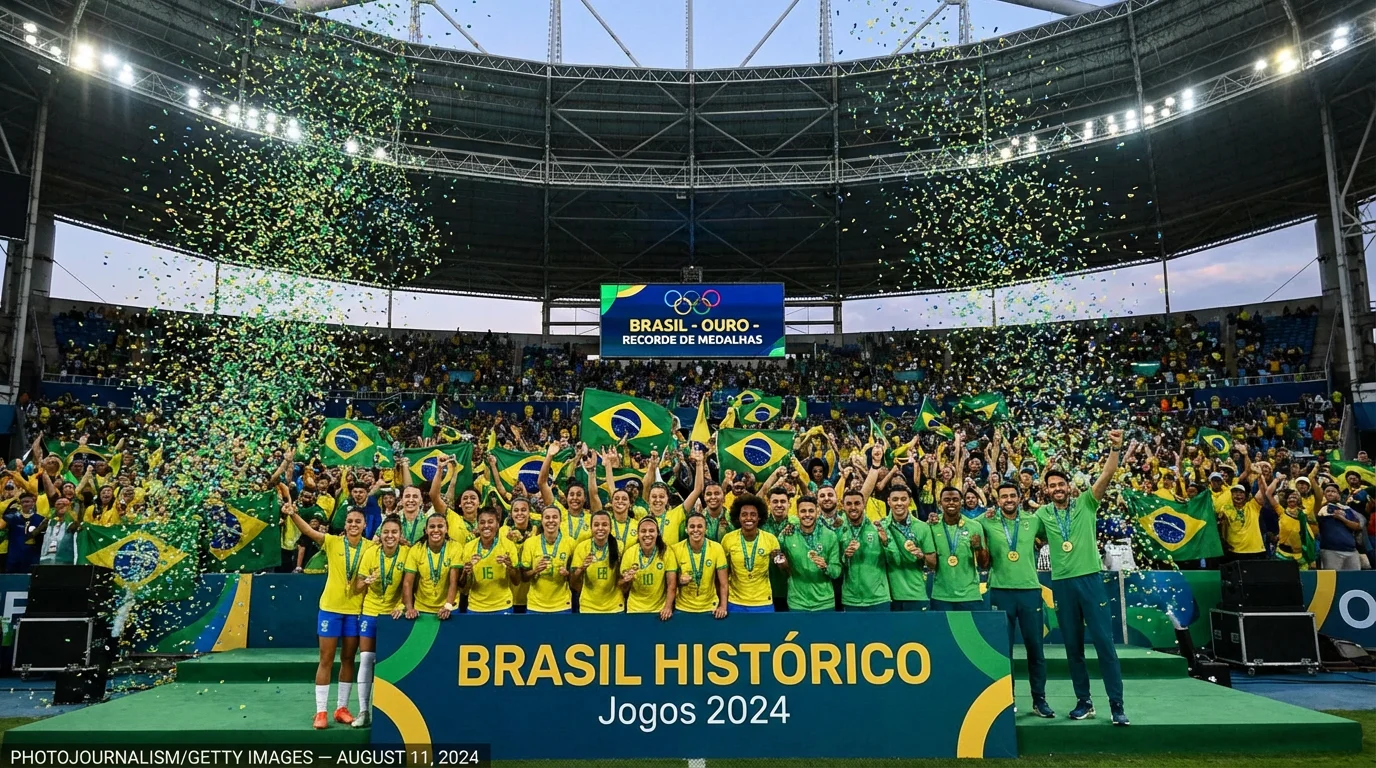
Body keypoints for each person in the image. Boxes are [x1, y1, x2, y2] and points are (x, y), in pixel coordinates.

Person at [1035, 429, 1129, 726]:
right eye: (1052, 485)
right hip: (1062, 585)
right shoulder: (1042, 515)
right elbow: (1023, 531)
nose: (1057, 488)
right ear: (1046, 490)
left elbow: (1107, 474)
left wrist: (1115, 448)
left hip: (1090, 580)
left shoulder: (1087, 502)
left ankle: (1116, 705)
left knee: (1104, 645)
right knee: (1073, 648)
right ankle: (1084, 702)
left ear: (1069, 487)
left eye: (1061, 484)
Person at [280, 501, 372, 730]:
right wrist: (293, 514)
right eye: (349, 521)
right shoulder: (332, 542)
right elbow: (309, 531)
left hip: (355, 611)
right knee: (326, 659)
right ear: (345, 524)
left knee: (348, 659)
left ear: (364, 525)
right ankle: (321, 711)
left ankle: (342, 708)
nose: (353, 524)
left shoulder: (372, 548)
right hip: (330, 609)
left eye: (357, 521)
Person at [984, 483, 1053, 718]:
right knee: (1003, 650)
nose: (1008, 499)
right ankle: (1007, 699)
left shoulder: (1033, 521)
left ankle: (1039, 700)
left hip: (1029, 591)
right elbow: (965, 525)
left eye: (1012, 495)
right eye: (1004, 496)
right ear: (997, 500)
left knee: (1035, 648)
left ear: (1020, 497)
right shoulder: (987, 521)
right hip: (1000, 592)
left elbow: (1051, 534)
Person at [352, 515, 408, 729]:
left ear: (400, 535)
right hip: (371, 611)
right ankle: (364, 710)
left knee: (394, 662)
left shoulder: (407, 553)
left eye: (394, 532)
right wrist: (365, 582)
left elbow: (411, 585)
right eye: (386, 532)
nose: (390, 536)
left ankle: (394, 712)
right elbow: (357, 586)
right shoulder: (370, 554)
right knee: (367, 658)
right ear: (380, 534)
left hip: (395, 614)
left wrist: (402, 606)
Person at [776, 496, 841, 612]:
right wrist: (781, 563)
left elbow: (836, 572)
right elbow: (777, 557)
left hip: (825, 602)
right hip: (797, 602)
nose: (807, 515)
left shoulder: (830, 536)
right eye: (803, 511)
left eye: (811, 511)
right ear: (797, 513)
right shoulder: (787, 535)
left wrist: (826, 567)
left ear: (817, 512)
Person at [838, 474, 892, 612]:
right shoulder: (838, 531)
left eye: (857, 503)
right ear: (843, 506)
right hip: (851, 599)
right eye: (849, 504)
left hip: (878, 598)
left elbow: (894, 561)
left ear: (864, 504)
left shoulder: (878, 528)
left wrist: (886, 543)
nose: (853, 507)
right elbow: (835, 567)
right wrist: (845, 556)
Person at [720, 494, 781, 613]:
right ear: (738, 517)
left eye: (753, 514)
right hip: (735, 602)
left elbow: (783, 568)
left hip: (763, 602)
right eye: (744, 514)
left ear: (759, 517)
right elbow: (723, 573)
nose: (748, 518)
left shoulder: (771, 539)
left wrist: (781, 562)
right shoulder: (728, 539)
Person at [930, 486, 987, 611]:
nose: (951, 503)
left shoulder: (975, 526)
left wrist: (978, 548)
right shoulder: (931, 526)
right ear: (940, 503)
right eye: (947, 500)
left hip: (970, 595)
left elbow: (984, 565)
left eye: (955, 499)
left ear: (961, 502)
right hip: (941, 595)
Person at [460, 507, 522, 614]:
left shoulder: (508, 545)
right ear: (478, 525)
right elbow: (463, 586)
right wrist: (466, 572)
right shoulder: (469, 547)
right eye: (482, 522)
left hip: (502, 606)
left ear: (497, 524)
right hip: (476, 607)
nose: (486, 526)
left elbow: (516, 582)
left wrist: (510, 567)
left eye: (490, 522)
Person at [883, 485, 935, 611]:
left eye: (903, 499)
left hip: (915, 593)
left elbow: (933, 564)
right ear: (888, 501)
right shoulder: (881, 528)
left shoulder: (923, 528)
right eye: (895, 499)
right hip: (888, 596)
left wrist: (922, 556)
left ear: (910, 501)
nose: (899, 503)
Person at [401, 513, 460, 619]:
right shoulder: (416, 549)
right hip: (422, 608)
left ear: (446, 529)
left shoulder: (455, 547)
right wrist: (409, 608)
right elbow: (408, 583)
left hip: (450, 607)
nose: (436, 530)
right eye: (432, 527)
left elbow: (454, 581)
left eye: (440, 526)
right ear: (426, 530)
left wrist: (448, 606)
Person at [672, 512, 729, 617]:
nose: (696, 530)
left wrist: (723, 606)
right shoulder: (675, 550)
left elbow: (724, 583)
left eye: (700, 526)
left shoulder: (717, 548)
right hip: (683, 607)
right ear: (686, 529)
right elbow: (669, 582)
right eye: (692, 526)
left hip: (710, 607)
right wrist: (679, 580)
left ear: (706, 529)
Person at [521, 505, 576, 614]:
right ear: (542, 520)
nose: (551, 520)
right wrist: (535, 570)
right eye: (547, 517)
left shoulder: (570, 542)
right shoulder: (530, 543)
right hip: (535, 605)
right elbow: (523, 577)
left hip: (562, 605)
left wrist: (567, 574)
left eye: (555, 517)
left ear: (560, 521)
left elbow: (576, 577)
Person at [620, 517, 677, 619]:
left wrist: (668, 607)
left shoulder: (666, 552)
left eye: (651, 531)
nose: (647, 534)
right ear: (638, 534)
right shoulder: (629, 553)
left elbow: (671, 584)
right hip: (634, 609)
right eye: (643, 531)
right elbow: (622, 588)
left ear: (657, 533)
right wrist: (626, 581)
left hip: (659, 610)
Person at [571, 509, 624, 614]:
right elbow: (573, 581)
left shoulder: (619, 546)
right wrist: (582, 568)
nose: (600, 528)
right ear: (591, 528)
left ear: (610, 528)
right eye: (596, 525)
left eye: (604, 525)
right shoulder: (582, 547)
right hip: (588, 606)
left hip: (614, 606)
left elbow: (622, 577)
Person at [1316, 482, 1364, 570]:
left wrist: (1342, 519)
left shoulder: (1347, 509)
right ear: (1324, 495)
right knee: (1332, 578)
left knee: (1354, 577)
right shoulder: (1322, 509)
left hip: (1351, 551)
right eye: (1327, 491)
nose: (1330, 493)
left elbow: (1358, 526)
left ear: (1338, 494)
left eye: (1333, 491)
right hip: (1330, 551)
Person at [1219, 481, 1267, 563]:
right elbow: (1221, 527)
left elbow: (1263, 490)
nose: (1238, 495)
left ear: (1245, 495)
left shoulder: (1253, 506)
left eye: (1241, 493)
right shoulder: (1225, 508)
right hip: (1233, 551)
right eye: (1235, 492)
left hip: (1254, 551)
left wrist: (1260, 476)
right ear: (1231, 495)